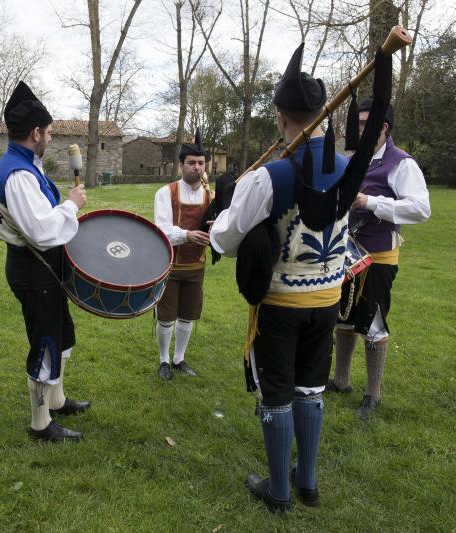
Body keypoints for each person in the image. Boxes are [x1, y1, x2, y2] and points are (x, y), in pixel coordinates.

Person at [210, 43, 392, 512]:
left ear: (279, 117)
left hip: (280, 304)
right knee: (311, 387)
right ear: (324, 115)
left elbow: (225, 239)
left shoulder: (269, 177)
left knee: (277, 391)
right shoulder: (350, 165)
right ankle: (306, 482)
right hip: (327, 300)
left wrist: (231, 206)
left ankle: (278, 491)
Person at [0, 81, 88, 442]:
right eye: (48, 132)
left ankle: (58, 400)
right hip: (34, 270)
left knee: (63, 336)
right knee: (46, 343)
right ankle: (40, 423)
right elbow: (41, 231)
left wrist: (64, 204)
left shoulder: (26, 165)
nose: (50, 138)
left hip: (45, 269)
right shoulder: (17, 174)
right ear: (35, 133)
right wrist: (71, 205)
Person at [327, 99, 431, 420]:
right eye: (356, 124)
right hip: (346, 252)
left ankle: (373, 394)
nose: (356, 131)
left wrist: (370, 202)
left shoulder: (402, 164)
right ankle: (341, 381)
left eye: (362, 125)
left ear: (382, 127)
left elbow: (420, 209)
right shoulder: (352, 160)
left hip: (379, 257)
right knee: (344, 319)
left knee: (372, 323)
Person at [153, 129, 212, 381]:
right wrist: (188, 235)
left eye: (200, 163)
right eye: (191, 163)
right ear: (181, 165)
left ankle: (179, 359)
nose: (196, 168)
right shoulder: (166, 193)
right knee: (166, 317)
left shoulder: (210, 194)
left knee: (188, 315)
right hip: (169, 266)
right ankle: (164, 359)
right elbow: (162, 231)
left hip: (196, 265)